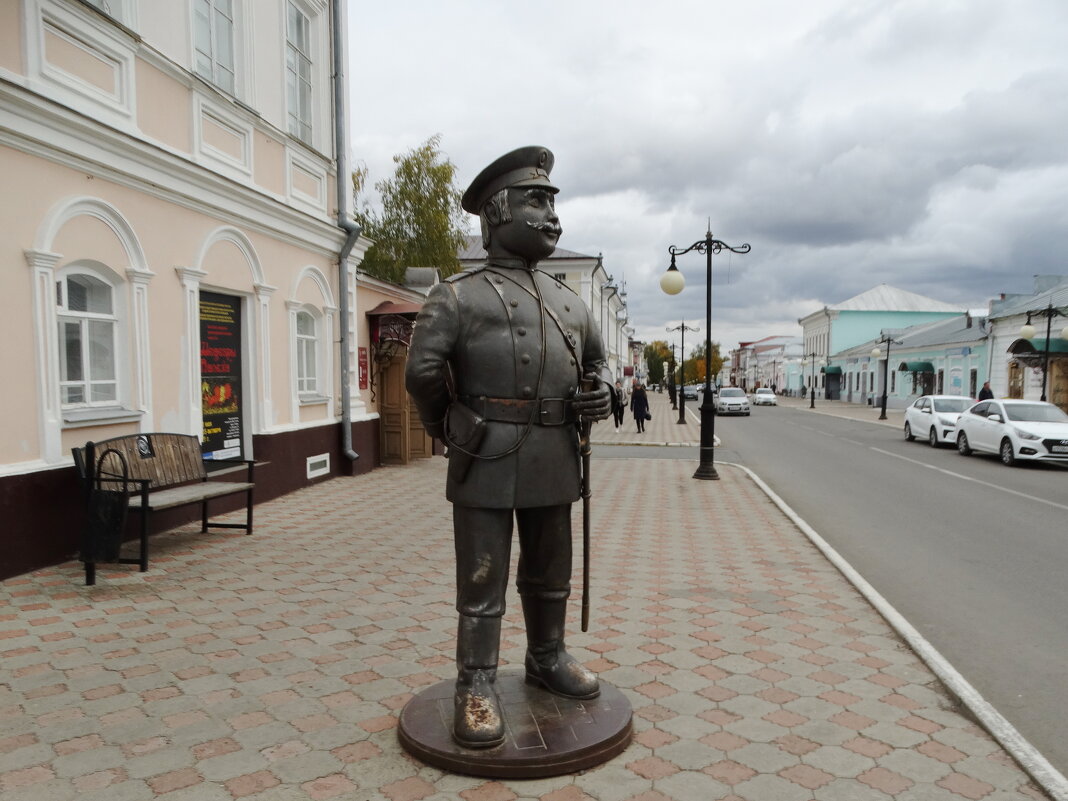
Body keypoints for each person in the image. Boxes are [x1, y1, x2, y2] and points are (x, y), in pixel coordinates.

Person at [405, 147, 613, 750]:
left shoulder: (570, 300)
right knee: (483, 576)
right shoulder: (457, 295)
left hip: (556, 451)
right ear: (498, 212)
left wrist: (597, 394)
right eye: (538, 201)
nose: (553, 216)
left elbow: (597, 364)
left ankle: (547, 657)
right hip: (487, 454)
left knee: (550, 570)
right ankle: (475, 682)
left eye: (554, 203)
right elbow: (422, 372)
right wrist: (451, 430)